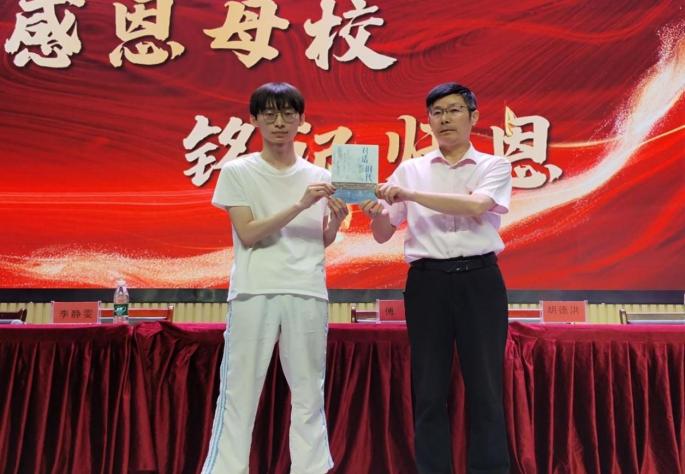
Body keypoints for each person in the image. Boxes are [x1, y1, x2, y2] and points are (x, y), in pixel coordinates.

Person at [361, 82, 512, 474]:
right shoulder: (410, 170)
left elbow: (477, 206)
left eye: (454, 110)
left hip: (480, 280)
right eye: (437, 112)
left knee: (486, 388)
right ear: (428, 120)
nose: (445, 119)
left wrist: (411, 195)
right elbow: (383, 233)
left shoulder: (493, 165)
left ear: (473, 117)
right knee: (428, 390)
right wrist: (375, 213)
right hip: (427, 283)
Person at [202, 82, 347, 474]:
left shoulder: (319, 175)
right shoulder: (238, 171)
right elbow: (249, 233)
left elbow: (318, 239)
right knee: (240, 391)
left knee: (309, 392)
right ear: (254, 119)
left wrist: (333, 224)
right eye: (270, 114)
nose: (280, 122)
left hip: (307, 290)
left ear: (302, 119)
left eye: (288, 114)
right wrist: (300, 203)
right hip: (255, 290)